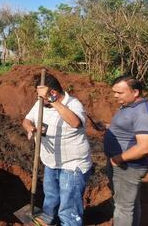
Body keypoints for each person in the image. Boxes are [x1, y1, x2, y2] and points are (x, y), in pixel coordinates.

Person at [21, 73, 92, 226]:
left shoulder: (73, 104)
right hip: (50, 163)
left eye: (43, 95)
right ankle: (48, 222)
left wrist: (52, 100)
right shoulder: (41, 103)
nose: (40, 99)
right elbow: (27, 120)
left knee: (68, 208)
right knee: (51, 199)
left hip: (72, 166)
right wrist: (30, 128)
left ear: (52, 93)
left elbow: (75, 123)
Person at [104, 75, 148, 226]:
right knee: (131, 204)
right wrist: (110, 128)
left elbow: (144, 147)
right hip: (121, 164)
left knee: (123, 208)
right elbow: (129, 128)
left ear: (135, 92)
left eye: (119, 93)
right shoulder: (129, 105)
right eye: (114, 92)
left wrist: (117, 159)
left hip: (128, 167)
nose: (115, 96)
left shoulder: (144, 113)